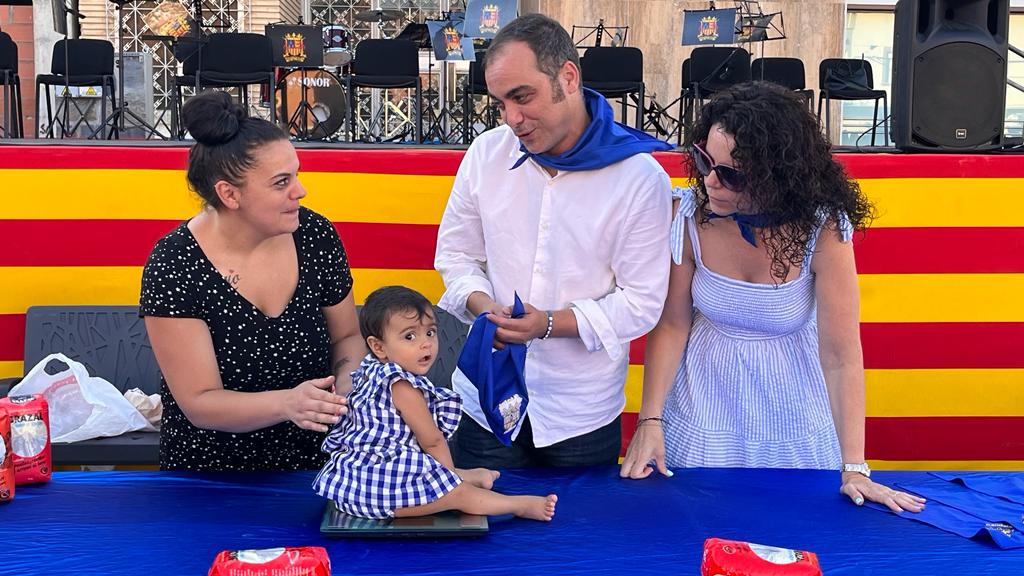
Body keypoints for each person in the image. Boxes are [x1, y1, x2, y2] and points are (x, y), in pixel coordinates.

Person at [619, 82, 926, 513]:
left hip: (794, 417)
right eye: (705, 161)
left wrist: (855, 467)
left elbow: (841, 356)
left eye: (732, 174)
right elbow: (672, 325)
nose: (710, 181)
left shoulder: (824, 229)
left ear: (777, 176)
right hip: (702, 410)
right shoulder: (688, 216)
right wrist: (650, 421)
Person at [434, 13, 674, 468]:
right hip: (485, 398)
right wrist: (485, 307)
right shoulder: (486, 153)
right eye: (500, 103)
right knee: (479, 514)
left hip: (579, 413)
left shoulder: (639, 178)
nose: (512, 118)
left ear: (568, 77)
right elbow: (456, 255)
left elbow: (642, 302)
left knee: (578, 520)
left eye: (522, 97)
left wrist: (548, 324)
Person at [139, 90, 366, 471]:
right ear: (229, 194)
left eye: (296, 175)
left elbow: (347, 336)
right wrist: (287, 404)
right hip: (211, 477)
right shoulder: (175, 262)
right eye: (281, 182)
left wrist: (346, 386)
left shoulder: (315, 235)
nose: (300, 190)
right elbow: (199, 401)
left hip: (320, 466)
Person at [314, 286, 557, 521]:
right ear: (378, 346)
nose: (425, 343)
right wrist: (449, 482)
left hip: (356, 482)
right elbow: (432, 441)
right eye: (410, 336)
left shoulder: (371, 370)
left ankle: (469, 476)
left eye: (430, 332)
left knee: (431, 468)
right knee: (460, 495)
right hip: (380, 493)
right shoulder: (402, 386)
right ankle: (520, 505)